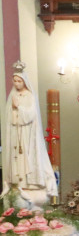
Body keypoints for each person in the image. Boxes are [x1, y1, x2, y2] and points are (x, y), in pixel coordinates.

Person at [1, 66, 59, 199]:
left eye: (19, 81)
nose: (16, 84)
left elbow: (31, 114)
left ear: (24, 81)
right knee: (16, 156)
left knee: (26, 155)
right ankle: (17, 183)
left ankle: (28, 183)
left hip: (27, 133)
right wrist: (13, 110)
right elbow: (9, 116)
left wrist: (18, 107)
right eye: (14, 81)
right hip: (16, 131)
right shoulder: (13, 95)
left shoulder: (30, 96)